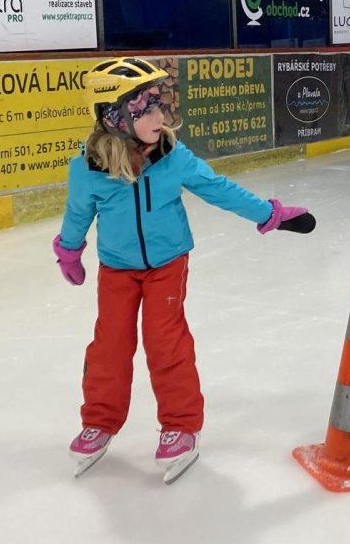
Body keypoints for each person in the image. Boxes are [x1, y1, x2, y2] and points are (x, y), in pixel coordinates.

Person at [52, 57, 315, 481]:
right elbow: (77, 212)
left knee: (165, 341)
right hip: (116, 269)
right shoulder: (88, 167)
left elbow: (217, 189)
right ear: (116, 117)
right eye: (147, 109)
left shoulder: (172, 156)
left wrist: (270, 214)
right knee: (109, 345)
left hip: (167, 264)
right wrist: (69, 250)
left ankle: (180, 425)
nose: (161, 117)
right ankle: (99, 421)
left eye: (160, 105)